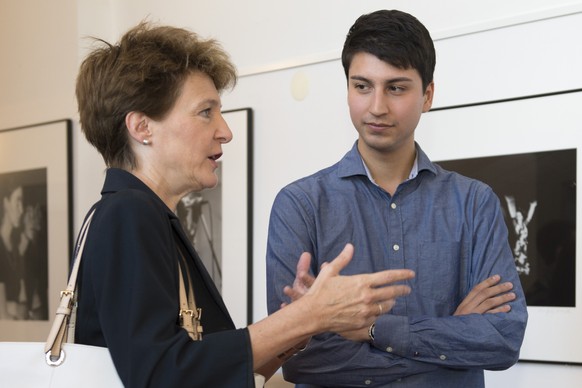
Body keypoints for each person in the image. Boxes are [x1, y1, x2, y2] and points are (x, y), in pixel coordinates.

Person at [73, 21, 416, 388]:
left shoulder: (146, 215)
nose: (225, 131)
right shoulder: (129, 213)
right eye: (206, 112)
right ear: (142, 127)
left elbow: (208, 372)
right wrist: (305, 317)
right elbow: (161, 374)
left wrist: (304, 324)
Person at [266, 9, 528, 387]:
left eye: (396, 87)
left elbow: (503, 340)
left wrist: (373, 328)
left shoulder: (474, 202)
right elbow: (301, 358)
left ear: (427, 95)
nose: (376, 107)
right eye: (362, 86)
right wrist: (451, 336)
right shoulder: (301, 205)